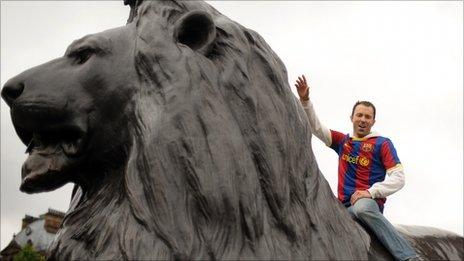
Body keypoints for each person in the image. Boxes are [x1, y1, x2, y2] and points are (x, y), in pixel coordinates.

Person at [295, 75, 419, 261]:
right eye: (359, 115)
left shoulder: (382, 144)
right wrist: (305, 100)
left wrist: (370, 192)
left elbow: (399, 178)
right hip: (342, 208)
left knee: (361, 208)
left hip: (367, 205)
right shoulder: (343, 142)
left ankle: (409, 257)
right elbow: (316, 128)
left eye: (368, 117)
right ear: (352, 117)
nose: (363, 119)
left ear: (373, 122)